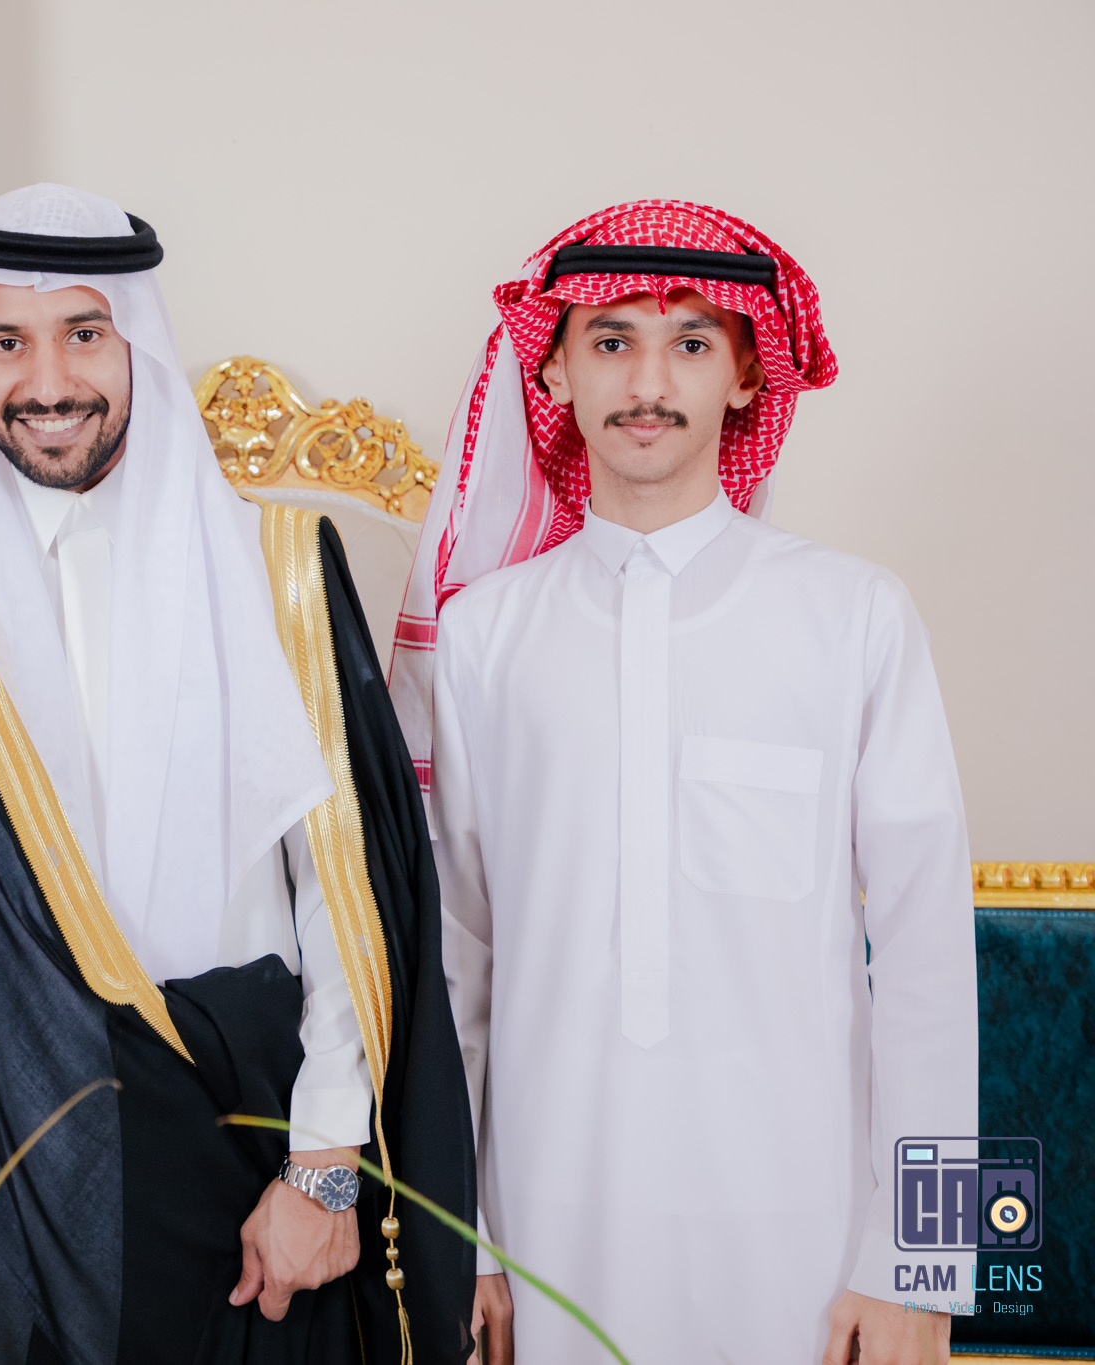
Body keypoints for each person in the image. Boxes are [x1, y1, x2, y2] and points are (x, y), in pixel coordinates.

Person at [0, 184, 476, 1365]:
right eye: (6, 342)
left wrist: (323, 1166)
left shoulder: (278, 569)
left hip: (254, 1158)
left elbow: (346, 898)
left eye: (82, 333)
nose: (48, 381)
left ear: (136, 341)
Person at [391, 201, 978, 1364]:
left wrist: (922, 1267)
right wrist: (462, 1242)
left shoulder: (851, 615)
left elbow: (927, 966)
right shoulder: (485, 637)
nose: (646, 382)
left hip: (804, 1246)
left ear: (747, 376)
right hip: (546, 1233)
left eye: (690, 342)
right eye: (610, 340)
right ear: (552, 369)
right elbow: (456, 963)